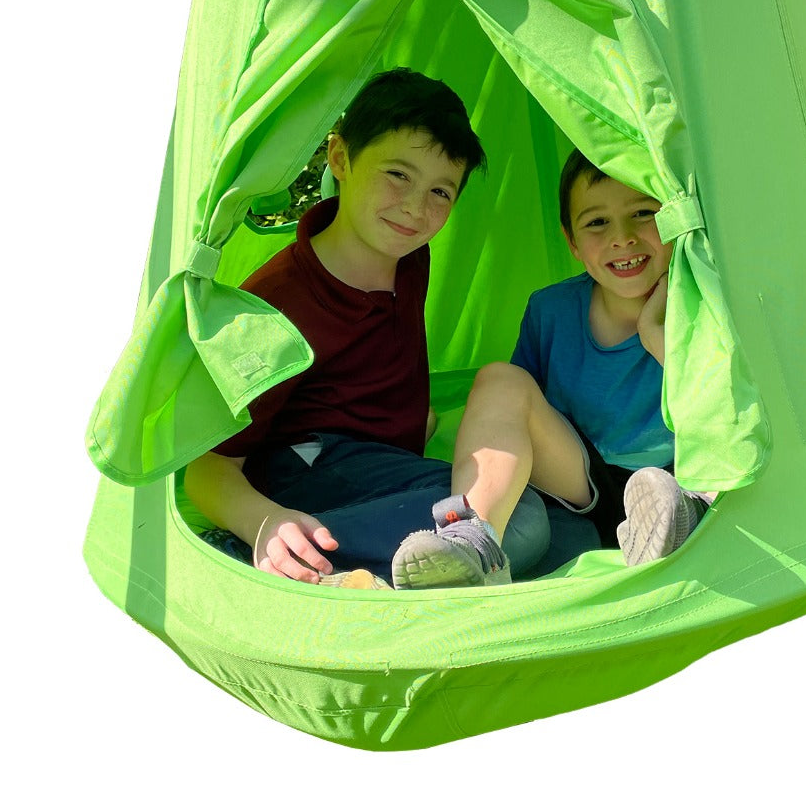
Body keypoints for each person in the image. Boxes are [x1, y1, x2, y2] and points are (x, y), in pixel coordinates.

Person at [184, 68, 547, 589]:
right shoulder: (277, 305)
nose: (415, 208)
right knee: (524, 523)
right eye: (397, 175)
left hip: (370, 466)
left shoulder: (409, 256)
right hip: (303, 470)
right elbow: (208, 466)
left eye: (441, 192)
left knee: (548, 519)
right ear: (340, 159)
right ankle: (264, 558)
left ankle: (364, 568)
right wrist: (262, 526)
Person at [392, 148, 717, 590]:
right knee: (500, 380)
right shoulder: (552, 310)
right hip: (580, 481)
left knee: (660, 485)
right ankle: (472, 539)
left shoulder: (702, 303)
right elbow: (516, 419)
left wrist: (656, 337)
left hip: (673, 481)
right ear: (573, 242)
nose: (622, 238)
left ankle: (680, 522)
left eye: (643, 213)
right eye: (597, 222)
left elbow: (720, 412)